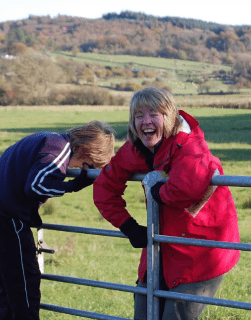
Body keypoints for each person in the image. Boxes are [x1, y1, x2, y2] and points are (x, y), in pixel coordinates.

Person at [93, 87, 240, 320]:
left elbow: (187, 187)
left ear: (169, 117)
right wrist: (129, 226)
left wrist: (158, 191)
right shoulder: (136, 149)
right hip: (160, 248)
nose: (146, 121)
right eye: (139, 116)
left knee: (175, 316)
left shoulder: (190, 145)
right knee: (143, 313)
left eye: (154, 114)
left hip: (200, 252)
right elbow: (103, 188)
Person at [0, 120, 115, 320]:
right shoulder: (59, 149)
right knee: (24, 285)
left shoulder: (47, 139)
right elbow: (35, 186)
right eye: (87, 165)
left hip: (6, 215)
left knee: (6, 288)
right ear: (82, 150)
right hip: (9, 221)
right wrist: (73, 185)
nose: (79, 169)